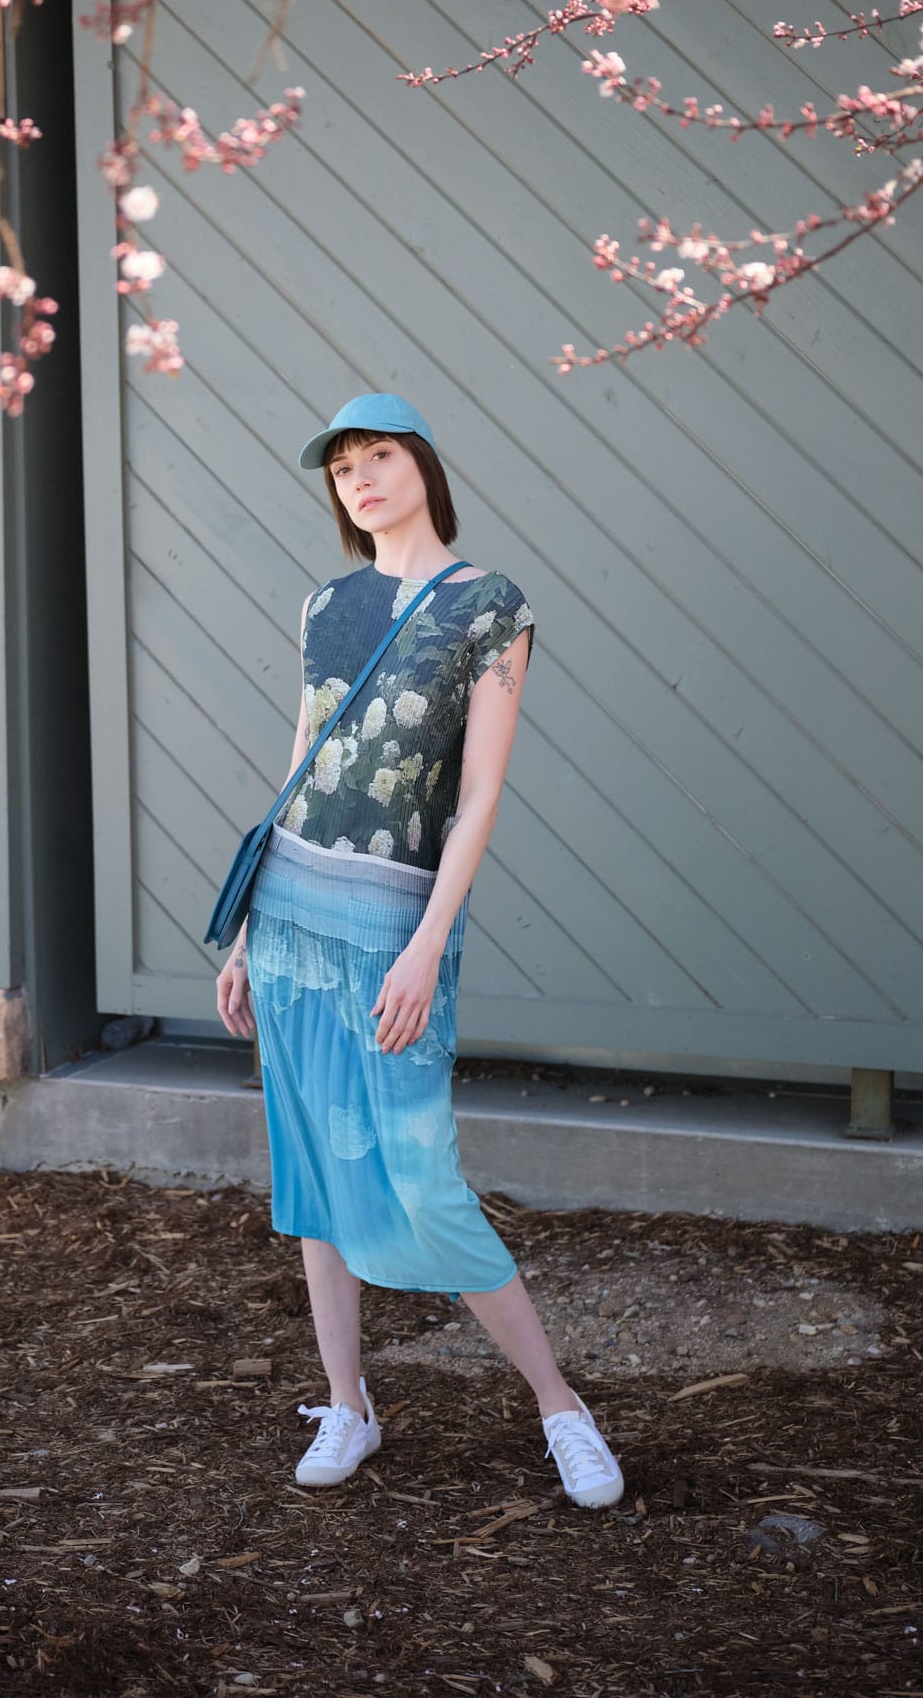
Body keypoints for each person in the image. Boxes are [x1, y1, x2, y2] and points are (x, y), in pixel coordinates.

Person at [214, 392, 623, 1510]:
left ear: (422, 467)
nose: (357, 478)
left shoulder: (488, 605)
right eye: (341, 466)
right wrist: (249, 926)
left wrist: (426, 943)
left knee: (421, 1178)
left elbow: (479, 790)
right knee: (309, 1171)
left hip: (394, 923)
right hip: (291, 913)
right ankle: (345, 1404)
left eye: (377, 456)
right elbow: (297, 762)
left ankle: (559, 1406)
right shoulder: (325, 604)